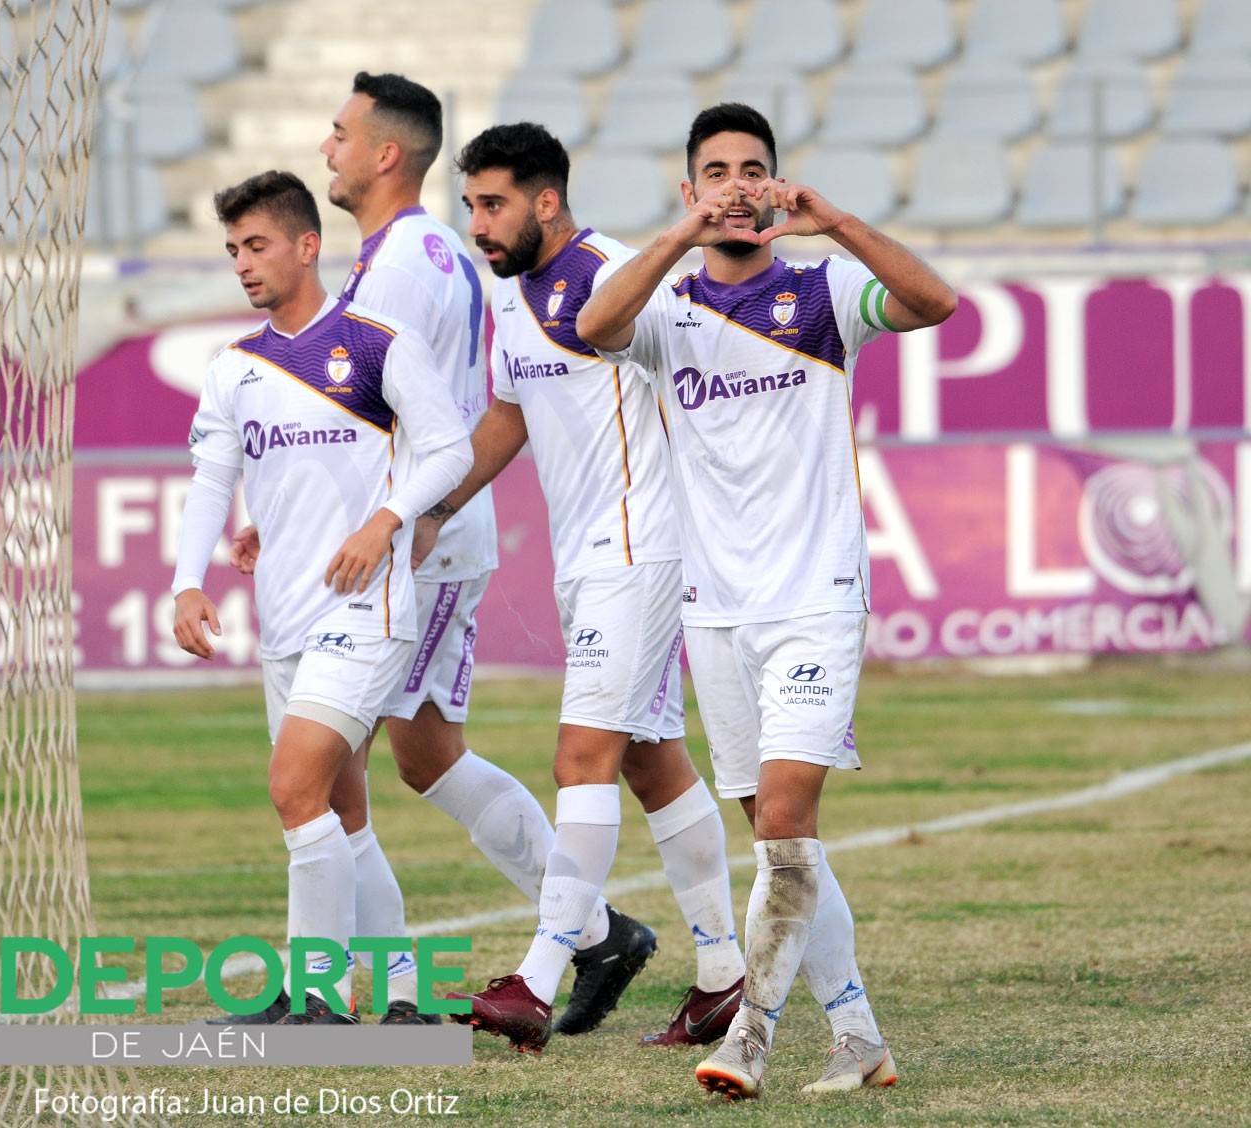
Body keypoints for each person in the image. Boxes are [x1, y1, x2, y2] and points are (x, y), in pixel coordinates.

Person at [231, 73, 658, 1031]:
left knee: (329, 777)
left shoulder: (399, 270)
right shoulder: (410, 256)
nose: (326, 147)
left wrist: (380, 521)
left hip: (416, 546)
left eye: (339, 133)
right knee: (417, 761)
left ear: (386, 152)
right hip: (416, 537)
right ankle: (579, 936)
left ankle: (344, 996)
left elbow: (403, 417)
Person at [576, 103, 957, 1099]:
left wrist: (836, 223)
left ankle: (748, 1037)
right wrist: (675, 241)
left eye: (754, 170)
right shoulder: (667, 312)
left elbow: (935, 303)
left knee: (787, 818)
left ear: (777, 184)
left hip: (814, 599)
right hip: (715, 610)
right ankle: (860, 1039)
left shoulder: (824, 292)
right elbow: (591, 325)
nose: (737, 185)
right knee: (782, 844)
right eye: (716, 172)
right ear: (692, 188)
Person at [423, 122, 744, 1054]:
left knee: (581, 757)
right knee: (650, 761)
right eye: (472, 204)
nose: (478, 223)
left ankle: (536, 976)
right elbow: (508, 415)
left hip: (641, 549)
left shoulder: (620, 276)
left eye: (494, 204)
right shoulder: (508, 294)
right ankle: (724, 977)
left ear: (547, 200)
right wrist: (437, 505)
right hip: (588, 557)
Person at [171, 169, 473, 1024]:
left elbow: (449, 449)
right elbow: (211, 480)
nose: (243, 263)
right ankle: (406, 999)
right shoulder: (233, 368)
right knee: (339, 809)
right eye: (232, 249)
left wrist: (388, 519)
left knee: (292, 788)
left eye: (257, 245)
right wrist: (186, 581)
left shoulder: (378, 341)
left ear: (308, 245)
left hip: (367, 611)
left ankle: (317, 994)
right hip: (286, 617)